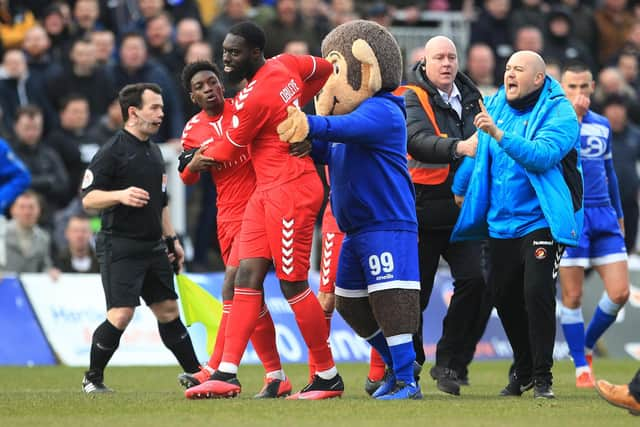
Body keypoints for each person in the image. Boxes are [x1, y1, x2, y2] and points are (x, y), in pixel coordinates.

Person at [182, 21, 342, 400]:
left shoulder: (253, 98)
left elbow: (225, 151)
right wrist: (303, 118)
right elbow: (323, 70)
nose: (226, 59)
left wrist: (191, 159)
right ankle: (226, 373)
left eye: (234, 53)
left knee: (292, 284)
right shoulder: (286, 65)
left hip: (290, 189)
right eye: (224, 51)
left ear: (255, 53)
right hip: (264, 193)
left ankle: (326, 374)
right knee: (243, 279)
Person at [452, 50, 582, 399]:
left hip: (542, 219)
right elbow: (480, 150)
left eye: (519, 69)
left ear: (538, 79)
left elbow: (541, 156)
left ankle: (543, 377)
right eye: (508, 68)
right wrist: (459, 188)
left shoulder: (561, 112)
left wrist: (500, 135)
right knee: (502, 296)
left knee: (536, 291)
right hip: (500, 222)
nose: (510, 74)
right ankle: (524, 367)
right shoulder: (494, 104)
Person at [175, 60, 292, 399]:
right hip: (226, 217)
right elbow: (187, 173)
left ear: (221, 84)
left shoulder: (244, 109)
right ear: (193, 96)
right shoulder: (192, 129)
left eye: (212, 81)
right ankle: (276, 376)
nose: (209, 88)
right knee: (249, 300)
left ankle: (216, 368)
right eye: (200, 86)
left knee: (233, 282)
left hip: (259, 209)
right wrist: (193, 164)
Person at [80, 83, 201, 393]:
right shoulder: (111, 151)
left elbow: (161, 201)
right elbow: (88, 199)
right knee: (121, 314)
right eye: (154, 108)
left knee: (168, 311)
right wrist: (120, 194)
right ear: (133, 112)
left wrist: (172, 238)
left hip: (153, 246)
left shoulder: (153, 151)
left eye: (161, 107)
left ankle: (198, 375)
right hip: (119, 244)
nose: (161, 113)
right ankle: (92, 379)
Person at [399, 35, 490, 396]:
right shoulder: (412, 95)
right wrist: (460, 147)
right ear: (425, 62)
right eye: (440, 57)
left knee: (476, 282)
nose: (447, 63)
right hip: (422, 205)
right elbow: (416, 140)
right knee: (415, 295)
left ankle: (448, 360)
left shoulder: (472, 98)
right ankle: (416, 358)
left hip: (462, 206)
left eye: (452, 57)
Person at [559, 63, 629, 389]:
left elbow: (609, 171)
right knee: (572, 296)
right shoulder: (556, 123)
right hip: (573, 214)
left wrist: (619, 214)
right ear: (561, 88)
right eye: (572, 87)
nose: (579, 94)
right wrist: (572, 117)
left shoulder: (602, 125)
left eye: (584, 87)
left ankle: (585, 345)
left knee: (620, 292)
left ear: (593, 87)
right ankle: (579, 366)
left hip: (603, 214)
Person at [1, 190, 54, 273]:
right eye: (22, 207)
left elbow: (45, 266)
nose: (27, 212)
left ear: (39, 210)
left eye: (31, 207)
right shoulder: (2, 234)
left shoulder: (44, 238)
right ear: (13, 210)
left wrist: (50, 272)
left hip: (31, 285)